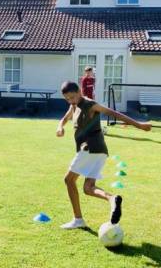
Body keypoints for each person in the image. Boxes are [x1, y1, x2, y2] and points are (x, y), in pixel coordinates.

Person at [56, 81, 151, 229]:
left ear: (80, 91)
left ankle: (78, 219)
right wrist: (60, 127)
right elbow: (65, 118)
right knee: (88, 187)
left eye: (73, 97)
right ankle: (112, 199)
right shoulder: (73, 105)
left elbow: (114, 113)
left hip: (90, 147)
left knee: (69, 180)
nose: (71, 101)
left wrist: (139, 125)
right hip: (99, 151)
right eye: (67, 99)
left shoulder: (90, 104)